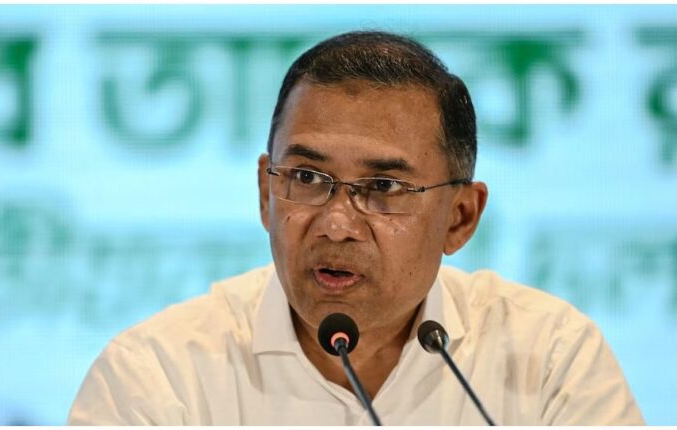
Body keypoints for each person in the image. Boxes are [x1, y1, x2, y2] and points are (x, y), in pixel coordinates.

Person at [68, 31, 644, 425]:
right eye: (306, 178)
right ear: (266, 193)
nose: (337, 223)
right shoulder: (157, 378)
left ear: (460, 217)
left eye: (384, 187)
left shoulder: (550, 361)